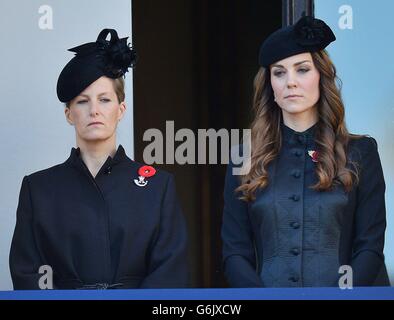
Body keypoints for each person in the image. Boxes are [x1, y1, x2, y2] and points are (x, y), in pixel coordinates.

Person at [9, 29, 189, 289]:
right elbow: (29, 275)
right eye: (83, 101)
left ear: (121, 109)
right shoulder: (38, 190)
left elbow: (170, 275)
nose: (94, 110)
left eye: (104, 100)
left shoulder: (158, 188)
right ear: (69, 114)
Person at [221, 16, 390, 287]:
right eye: (279, 72)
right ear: (270, 85)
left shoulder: (361, 152)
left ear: (321, 76)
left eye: (302, 69)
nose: (290, 82)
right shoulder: (244, 158)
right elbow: (235, 253)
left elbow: (369, 247)